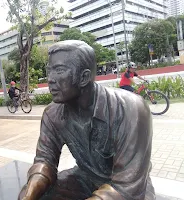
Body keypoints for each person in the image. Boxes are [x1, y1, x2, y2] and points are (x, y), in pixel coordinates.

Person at [18, 40, 155, 200]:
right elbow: (45, 160)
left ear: (84, 77)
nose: (50, 79)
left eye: (59, 70)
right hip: (85, 178)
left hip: (126, 189)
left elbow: (127, 186)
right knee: (33, 194)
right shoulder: (52, 113)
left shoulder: (131, 109)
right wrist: (30, 193)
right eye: (49, 71)